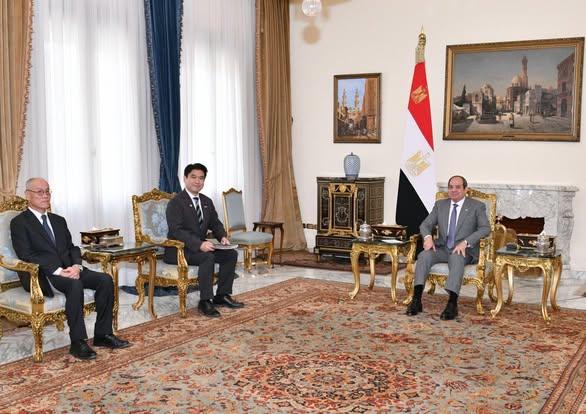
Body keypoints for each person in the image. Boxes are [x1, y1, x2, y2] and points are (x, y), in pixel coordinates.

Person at [10, 178, 130, 360]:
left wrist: (76, 266)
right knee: (75, 285)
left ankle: (103, 334)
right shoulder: (19, 223)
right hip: (44, 274)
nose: (45, 195)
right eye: (39, 192)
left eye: (47, 191)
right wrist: (59, 271)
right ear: (27, 195)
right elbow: (26, 254)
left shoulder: (58, 220)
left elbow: (72, 248)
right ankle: (78, 342)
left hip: (70, 268)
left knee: (105, 279)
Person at [406, 175, 490, 320]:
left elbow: (485, 228)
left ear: (465, 189)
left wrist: (466, 242)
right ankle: (416, 299)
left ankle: (452, 304)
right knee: (424, 255)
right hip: (443, 248)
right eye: (451, 187)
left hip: (464, 250)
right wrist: (428, 237)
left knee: (456, 257)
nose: (454, 190)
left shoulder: (477, 206)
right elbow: (425, 225)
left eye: (458, 187)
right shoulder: (441, 205)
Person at [164, 163, 242, 318]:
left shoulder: (206, 201)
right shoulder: (176, 202)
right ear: (185, 178)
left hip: (200, 248)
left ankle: (222, 295)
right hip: (179, 250)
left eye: (201, 178)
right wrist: (199, 244)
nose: (197, 181)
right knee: (207, 257)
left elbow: (215, 223)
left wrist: (222, 237)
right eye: (193, 177)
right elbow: (177, 231)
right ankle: (205, 301)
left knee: (231, 254)